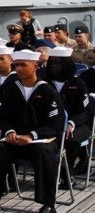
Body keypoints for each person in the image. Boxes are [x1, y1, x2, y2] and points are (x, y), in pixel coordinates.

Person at [0, 50, 64, 213]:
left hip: (40, 141)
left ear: (35, 66)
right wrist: (10, 132)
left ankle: (47, 204)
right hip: (16, 141)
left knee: (44, 151)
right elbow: (4, 118)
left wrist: (31, 136)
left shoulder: (48, 92)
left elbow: (54, 125)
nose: (18, 69)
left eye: (23, 65)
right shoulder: (12, 90)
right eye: (16, 65)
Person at [45, 47, 92, 184]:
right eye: (51, 62)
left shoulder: (78, 83)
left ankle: (67, 172)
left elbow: (85, 111)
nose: (53, 66)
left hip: (77, 125)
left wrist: (71, 123)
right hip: (51, 124)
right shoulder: (44, 83)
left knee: (69, 139)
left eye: (57, 63)